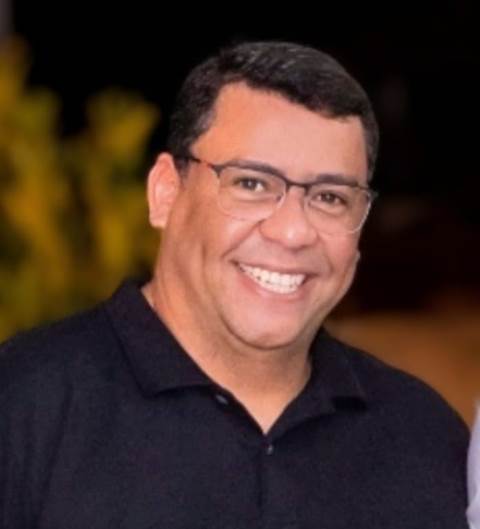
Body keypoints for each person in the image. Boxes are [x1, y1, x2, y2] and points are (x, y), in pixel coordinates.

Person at [0, 40, 469, 528]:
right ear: (165, 193)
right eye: (252, 184)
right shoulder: (22, 406)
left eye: (330, 197)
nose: (292, 232)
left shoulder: (425, 438)